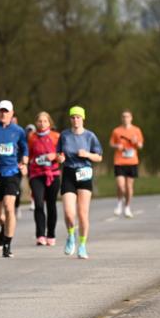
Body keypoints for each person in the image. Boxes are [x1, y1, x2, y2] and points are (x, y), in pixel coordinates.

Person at [57, 106, 103, 259]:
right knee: (69, 213)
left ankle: (82, 245)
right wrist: (60, 158)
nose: (75, 120)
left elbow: (99, 157)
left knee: (83, 214)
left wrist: (87, 154)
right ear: (70, 119)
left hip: (84, 173)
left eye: (78, 117)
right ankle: (71, 235)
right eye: (73, 117)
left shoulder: (90, 136)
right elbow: (59, 154)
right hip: (69, 173)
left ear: (83, 118)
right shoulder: (64, 135)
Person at [0, 100, 28, 258]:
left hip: (12, 172)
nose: (4, 114)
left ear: (12, 113)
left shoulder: (18, 130)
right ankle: (4, 226)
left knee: (9, 207)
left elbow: (24, 148)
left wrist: (24, 162)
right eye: (1, 111)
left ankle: (7, 244)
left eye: (6, 111)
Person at [28, 111, 61, 245]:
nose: (42, 124)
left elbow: (62, 154)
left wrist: (55, 156)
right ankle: (40, 235)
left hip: (53, 174)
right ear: (36, 123)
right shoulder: (32, 137)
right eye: (40, 121)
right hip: (36, 174)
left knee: (51, 205)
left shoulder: (56, 136)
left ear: (49, 123)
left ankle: (51, 234)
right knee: (39, 204)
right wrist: (29, 162)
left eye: (45, 121)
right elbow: (28, 154)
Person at [109, 110, 144, 218]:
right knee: (121, 186)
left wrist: (136, 142)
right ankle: (119, 202)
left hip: (132, 161)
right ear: (121, 118)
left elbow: (140, 146)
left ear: (131, 118)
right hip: (119, 161)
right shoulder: (116, 131)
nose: (125, 118)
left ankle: (127, 206)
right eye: (124, 116)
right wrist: (117, 146)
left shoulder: (136, 130)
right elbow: (111, 143)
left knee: (129, 186)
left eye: (127, 116)